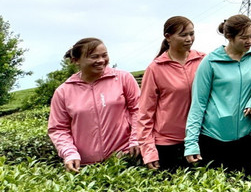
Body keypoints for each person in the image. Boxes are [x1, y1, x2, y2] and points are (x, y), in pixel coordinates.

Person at [184, 15, 251, 172]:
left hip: (249, 136)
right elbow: (198, 103)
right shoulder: (210, 62)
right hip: (215, 137)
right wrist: (191, 143)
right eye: (244, 37)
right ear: (229, 37)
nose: (250, 41)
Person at [48, 38, 140, 172]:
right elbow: (59, 128)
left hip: (127, 159)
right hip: (86, 167)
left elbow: (138, 110)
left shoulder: (123, 79)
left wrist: (136, 139)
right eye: (94, 57)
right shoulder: (63, 91)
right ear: (76, 60)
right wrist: (69, 153)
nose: (101, 60)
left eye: (104, 55)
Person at [137, 16, 205, 170]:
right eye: (183, 35)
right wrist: (148, 151)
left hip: (200, 138)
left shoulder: (203, 60)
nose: (189, 39)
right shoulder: (155, 69)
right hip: (168, 144)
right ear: (168, 37)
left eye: (191, 34)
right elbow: (145, 113)